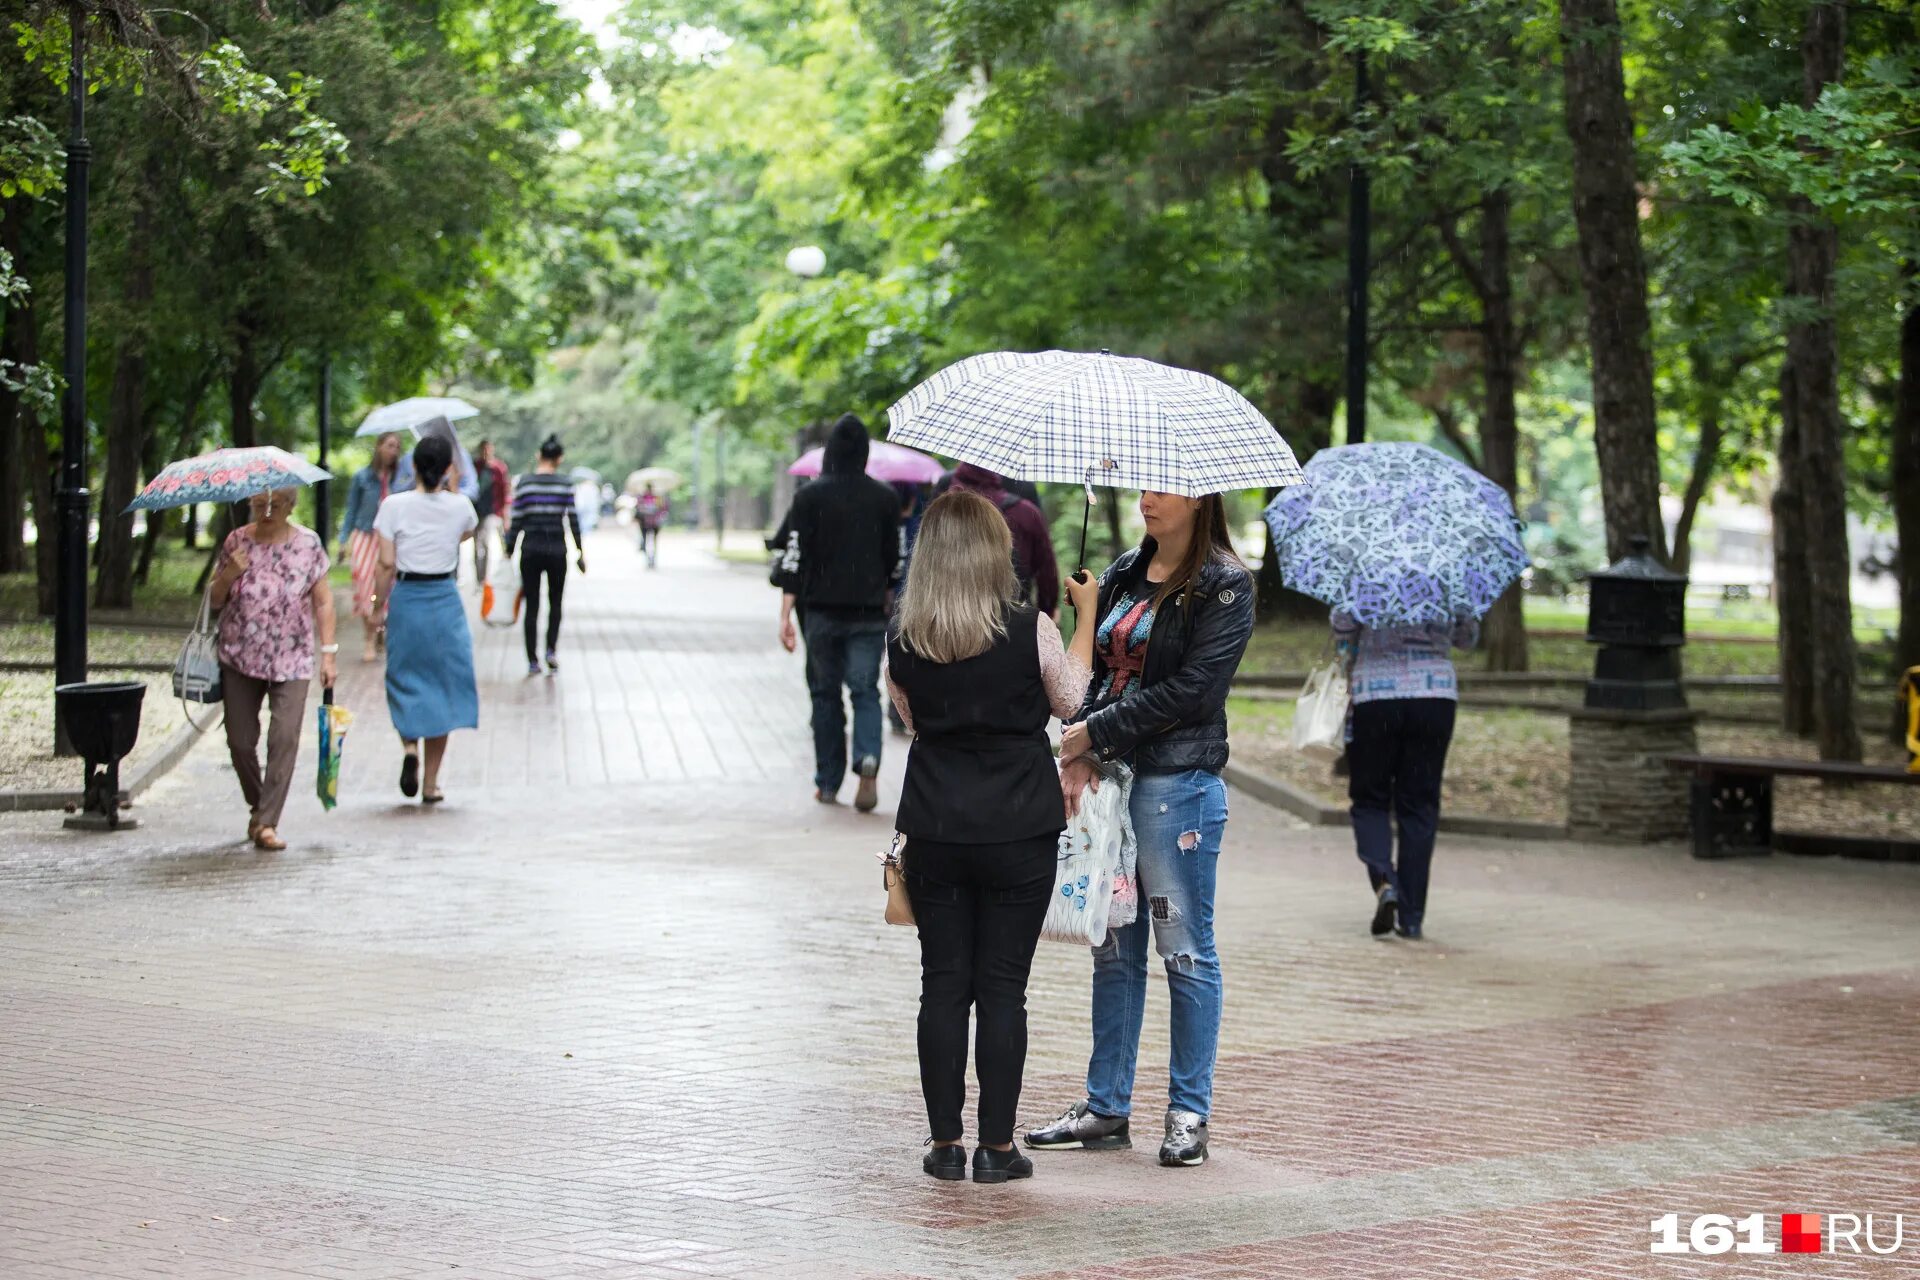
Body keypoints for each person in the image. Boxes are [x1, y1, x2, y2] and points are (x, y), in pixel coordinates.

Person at [1025, 488, 1255, 1169]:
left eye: (1163, 488)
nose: (1147, 498)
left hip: (1177, 788)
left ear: (1199, 497)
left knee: (1183, 949)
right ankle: (1106, 1107)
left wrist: (1096, 732)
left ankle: (1189, 1113)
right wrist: (1082, 741)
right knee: (1112, 947)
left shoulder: (1224, 587)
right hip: (1113, 785)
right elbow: (1099, 672)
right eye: (1144, 485)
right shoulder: (1127, 569)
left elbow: (1194, 692)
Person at [886, 491, 1099, 1184]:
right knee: (1003, 989)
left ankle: (945, 1144)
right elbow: (1072, 704)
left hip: (937, 825)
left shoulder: (905, 638)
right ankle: (998, 1149)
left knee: (942, 985)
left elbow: (913, 723)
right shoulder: (1030, 627)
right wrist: (1085, 620)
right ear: (993, 551)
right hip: (1018, 826)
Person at [775, 414, 900, 811]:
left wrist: (785, 616)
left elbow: (794, 559)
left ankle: (828, 781)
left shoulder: (809, 497)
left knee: (825, 695)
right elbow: (893, 563)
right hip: (867, 614)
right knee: (864, 690)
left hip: (821, 615)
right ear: (864, 453)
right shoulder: (885, 498)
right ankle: (867, 760)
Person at [1335, 609, 1478, 941]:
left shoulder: (1364, 571)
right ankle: (1411, 917)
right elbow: (1467, 639)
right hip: (1435, 697)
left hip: (1375, 696)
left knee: (1370, 799)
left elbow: (1342, 630)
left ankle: (1385, 882)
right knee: (1420, 804)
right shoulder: (1450, 574)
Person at [210, 487, 337, 850]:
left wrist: (329, 654)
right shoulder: (236, 540)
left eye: (276, 505)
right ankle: (258, 804)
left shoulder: (308, 544)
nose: (267, 511)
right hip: (239, 655)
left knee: (284, 738)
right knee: (239, 740)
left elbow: (324, 602)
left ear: (291, 506)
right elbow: (215, 600)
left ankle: (266, 821)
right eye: (259, 504)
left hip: (292, 657)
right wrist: (229, 574)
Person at [372, 435, 479, 803]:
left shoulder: (393, 506)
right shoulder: (461, 506)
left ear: (412, 466)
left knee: (404, 679)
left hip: (407, 600)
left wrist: (375, 606)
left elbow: (386, 563)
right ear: (449, 468)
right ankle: (431, 784)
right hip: (444, 601)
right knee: (443, 688)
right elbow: (465, 533)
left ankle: (409, 749)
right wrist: (448, 489)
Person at [506, 436, 587, 676]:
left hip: (530, 549)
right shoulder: (565, 484)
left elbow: (517, 518)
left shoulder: (525, 483)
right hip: (556, 551)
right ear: (559, 459)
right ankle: (551, 650)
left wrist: (508, 548)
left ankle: (532, 659)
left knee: (531, 604)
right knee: (556, 602)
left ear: (538, 456)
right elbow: (572, 519)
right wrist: (580, 550)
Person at [947, 463, 1060, 618]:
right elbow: (1047, 569)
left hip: (951, 614)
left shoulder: (942, 511)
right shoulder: (1025, 511)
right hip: (1015, 612)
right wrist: (1046, 612)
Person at [337, 431, 402, 662]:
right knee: (367, 587)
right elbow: (351, 510)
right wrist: (343, 540)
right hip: (365, 535)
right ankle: (368, 637)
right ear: (379, 447)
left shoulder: (401, 478)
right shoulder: (362, 477)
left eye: (396, 446)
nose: (392, 450)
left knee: (387, 586)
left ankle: (380, 628)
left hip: (390, 538)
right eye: (389, 445)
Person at [471, 440, 512, 584]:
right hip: (476, 511)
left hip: (492, 511)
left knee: (489, 543)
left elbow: (505, 491)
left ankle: (493, 577)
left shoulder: (499, 468)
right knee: (478, 545)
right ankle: (480, 578)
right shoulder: (475, 466)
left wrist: (505, 514)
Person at [635, 483, 668, 568]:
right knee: (647, 541)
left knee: (652, 541)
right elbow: (638, 508)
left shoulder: (657, 498)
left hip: (654, 522)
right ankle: (649, 559)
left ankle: (652, 559)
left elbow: (663, 508)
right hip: (645, 522)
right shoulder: (642, 497)